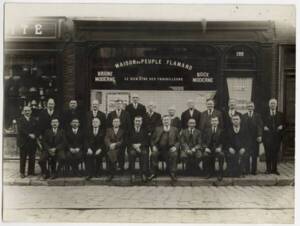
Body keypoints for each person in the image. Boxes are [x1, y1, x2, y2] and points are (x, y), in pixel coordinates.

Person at [148, 115, 180, 182]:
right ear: (162, 121)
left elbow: (178, 141)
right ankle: (153, 173)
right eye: (164, 120)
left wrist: (175, 147)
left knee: (174, 154)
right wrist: (153, 146)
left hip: (170, 149)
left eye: (167, 120)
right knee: (153, 154)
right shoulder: (157, 129)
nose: (166, 121)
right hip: (159, 149)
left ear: (170, 121)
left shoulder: (175, 129)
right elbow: (152, 140)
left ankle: (172, 173)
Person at [107, 99, 131, 172]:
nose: (118, 105)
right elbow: (108, 126)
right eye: (117, 104)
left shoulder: (126, 113)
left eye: (120, 104)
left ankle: (121, 168)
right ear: (115, 105)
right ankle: (112, 169)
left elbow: (129, 125)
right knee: (111, 152)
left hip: (123, 137)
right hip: (112, 137)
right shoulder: (110, 114)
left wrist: (124, 136)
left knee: (122, 153)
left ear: (122, 105)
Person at [262, 98, 284, 175]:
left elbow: (285, 124)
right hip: (267, 137)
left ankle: (274, 169)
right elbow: (261, 124)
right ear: (269, 105)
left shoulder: (281, 114)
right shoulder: (264, 114)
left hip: (277, 137)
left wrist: (282, 126)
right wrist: (264, 127)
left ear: (276, 105)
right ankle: (268, 169)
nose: (272, 105)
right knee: (268, 153)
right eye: (271, 103)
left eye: (274, 103)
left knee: (275, 153)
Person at [17, 106, 38, 178]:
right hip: (23, 142)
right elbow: (21, 130)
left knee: (32, 157)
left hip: (32, 142)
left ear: (31, 111)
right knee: (23, 158)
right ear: (23, 111)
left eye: (28, 110)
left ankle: (31, 172)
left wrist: (35, 134)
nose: (27, 112)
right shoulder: (20, 120)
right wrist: (29, 135)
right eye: (25, 111)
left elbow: (37, 129)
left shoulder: (34, 119)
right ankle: (22, 172)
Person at [242, 101, 263, 175]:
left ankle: (254, 170)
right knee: (247, 154)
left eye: (251, 106)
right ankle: (247, 170)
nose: (250, 107)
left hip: (255, 138)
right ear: (247, 107)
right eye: (249, 106)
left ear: (254, 107)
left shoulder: (257, 116)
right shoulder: (243, 116)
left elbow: (260, 126)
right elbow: (242, 128)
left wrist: (260, 135)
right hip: (246, 139)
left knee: (254, 155)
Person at [202, 116, 225, 181]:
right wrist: (205, 148)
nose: (214, 122)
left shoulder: (222, 130)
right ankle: (208, 173)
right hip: (209, 149)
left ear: (218, 122)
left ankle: (220, 173)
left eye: (215, 121)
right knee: (205, 155)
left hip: (217, 149)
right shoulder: (206, 130)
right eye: (213, 121)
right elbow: (202, 141)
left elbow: (223, 141)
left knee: (221, 155)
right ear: (211, 122)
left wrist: (220, 148)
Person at [127, 116, 149, 183]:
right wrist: (134, 146)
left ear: (141, 122)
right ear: (134, 121)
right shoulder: (129, 129)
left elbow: (147, 140)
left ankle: (143, 174)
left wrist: (140, 145)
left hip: (142, 147)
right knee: (132, 154)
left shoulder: (145, 130)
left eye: (139, 121)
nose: (137, 122)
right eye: (136, 121)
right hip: (132, 147)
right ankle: (132, 174)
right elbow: (127, 140)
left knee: (144, 154)